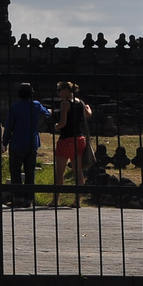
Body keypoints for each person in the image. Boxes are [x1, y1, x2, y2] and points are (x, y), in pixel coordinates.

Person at [2, 83, 51, 208]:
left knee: (15, 171)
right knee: (30, 172)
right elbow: (47, 114)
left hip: (18, 142)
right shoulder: (36, 105)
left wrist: (4, 142)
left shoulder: (15, 107)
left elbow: (9, 126)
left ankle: (18, 198)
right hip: (32, 142)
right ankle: (29, 199)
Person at [52, 80, 92, 208]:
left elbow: (63, 122)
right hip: (79, 138)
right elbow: (88, 114)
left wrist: (57, 126)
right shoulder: (80, 102)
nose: (58, 92)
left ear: (67, 90)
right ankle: (77, 200)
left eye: (59, 90)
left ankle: (56, 199)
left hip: (66, 139)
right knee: (78, 171)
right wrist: (89, 108)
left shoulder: (65, 103)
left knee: (60, 171)